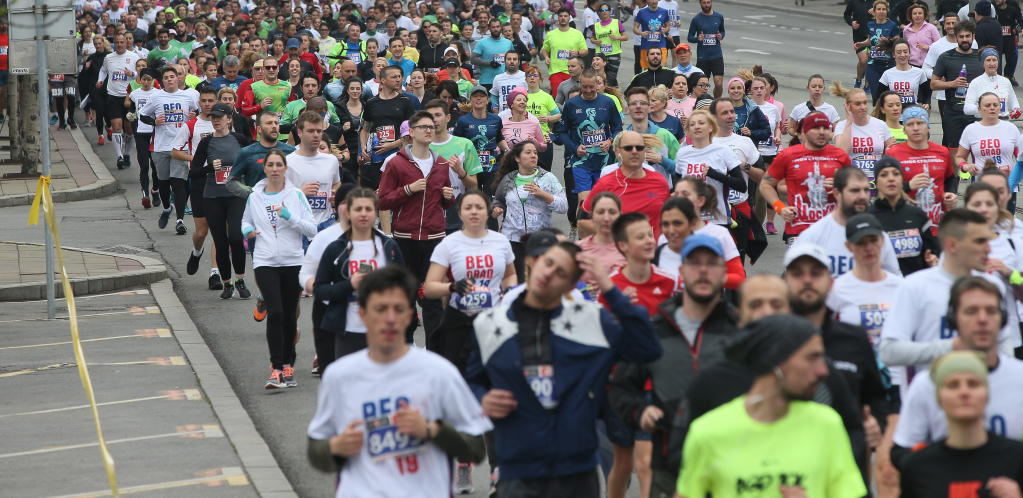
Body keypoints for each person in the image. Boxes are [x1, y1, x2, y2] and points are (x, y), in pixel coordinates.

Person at [465, 241, 662, 497]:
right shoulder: (489, 324)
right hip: (517, 470)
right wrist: (483, 398)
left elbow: (648, 349)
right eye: (548, 263)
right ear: (534, 263)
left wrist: (610, 289)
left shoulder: (592, 320)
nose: (548, 273)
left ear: (571, 286)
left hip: (577, 472)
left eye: (561, 272)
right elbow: (471, 381)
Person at [307, 266, 492, 497]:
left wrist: (431, 430)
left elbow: (476, 450)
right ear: (363, 314)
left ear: (410, 316)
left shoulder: (439, 372)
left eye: (399, 309)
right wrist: (335, 447)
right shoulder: (339, 376)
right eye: (380, 309)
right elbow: (315, 449)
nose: (390, 319)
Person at [677, 313, 867, 498]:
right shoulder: (708, 432)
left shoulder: (827, 424)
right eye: (812, 358)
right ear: (776, 359)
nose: (823, 370)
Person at [880, 208, 1019, 397]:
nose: (989, 249)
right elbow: (889, 351)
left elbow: (1004, 349)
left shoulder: (993, 286)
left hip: (983, 406)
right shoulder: (914, 287)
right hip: (930, 406)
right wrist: (952, 346)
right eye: (980, 241)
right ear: (952, 245)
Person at [893, 277, 1023, 469]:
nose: (982, 319)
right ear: (953, 320)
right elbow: (901, 452)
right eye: (971, 311)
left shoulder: (1019, 377)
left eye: (991, 311)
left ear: (1002, 319)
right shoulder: (927, 383)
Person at [898, 350, 1023, 497]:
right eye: (953, 385)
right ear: (939, 399)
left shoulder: (1016, 458)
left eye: (973, 384)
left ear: (987, 395)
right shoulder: (917, 467)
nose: (964, 392)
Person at [240, 148, 317, 389]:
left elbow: (311, 229)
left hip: (293, 261)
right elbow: (246, 220)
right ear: (265, 169)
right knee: (274, 312)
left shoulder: (295, 195)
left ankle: (287, 364)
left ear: (285, 169)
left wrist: (289, 217)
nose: (274, 169)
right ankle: (275, 369)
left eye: (278, 165)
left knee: (287, 315)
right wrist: (246, 231)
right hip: (265, 261)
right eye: (270, 165)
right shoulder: (255, 196)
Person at [378, 110, 456, 345]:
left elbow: (445, 201)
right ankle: (407, 346)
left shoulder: (441, 164)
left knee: (431, 298)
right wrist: (408, 190)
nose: (429, 130)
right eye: (423, 127)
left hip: (435, 237)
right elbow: (383, 200)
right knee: (407, 295)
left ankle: (434, 352)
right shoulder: (396, 163)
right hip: (405, 238)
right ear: (411, 132)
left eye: (431, 126)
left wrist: (449, 197)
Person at [313, 187, 405, 363]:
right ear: (348, 212)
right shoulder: (336, 248)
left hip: (384, 331)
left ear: (376, 212)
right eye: (358, 209)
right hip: (348, 332)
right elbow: (320, 290)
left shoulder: (389, 248)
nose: (363, 214)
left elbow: (405, 289)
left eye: (368, 209)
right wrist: (350, 285)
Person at [189, 102, 255, 298]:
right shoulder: (206, 142)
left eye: (220, 117)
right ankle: (227, 284)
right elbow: (194, 171)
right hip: (213, 197)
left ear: (229, 119)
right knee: (220, 241)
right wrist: (210, 167)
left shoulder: (239, 139)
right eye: (213, 117)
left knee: (235, 237)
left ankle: (240, 281)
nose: (216, 120)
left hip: (236, 197)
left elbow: (252, 163)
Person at [760, 112, 853, 245]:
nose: (822, 132)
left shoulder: (840, 156)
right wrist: (780, 207)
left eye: (826, 128)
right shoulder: (788, 155)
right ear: (805, 131)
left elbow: (856, 189)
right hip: (799, 230)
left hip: (834, 229)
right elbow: (765, 185)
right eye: (816, 128)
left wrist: (842, 187)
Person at [792, 166, 902, 277]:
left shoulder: (877, 236)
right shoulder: (813, 236)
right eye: (855, 191)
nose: (862, 196)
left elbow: (895, 283)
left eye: (866, 190)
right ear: (836, 193)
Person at [300, 182, 357, 375]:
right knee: (330, 372)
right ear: (336, 206)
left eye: (355, 203)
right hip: (328, 307)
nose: (350, 208)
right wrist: (320, 289)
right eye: (344, 203)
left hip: (363, 311)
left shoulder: (380, 240)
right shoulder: (325, 237)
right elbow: (306, 274)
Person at [826, 212, 905, 351]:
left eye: (873, 240)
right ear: (848, 246)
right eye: (860, 242)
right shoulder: (837, 289)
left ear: (882, 241)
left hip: (895, 367)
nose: (868, 248)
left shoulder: (901, 286)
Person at [491, 140, 568, 279]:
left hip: (540, 239)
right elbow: (498, 200)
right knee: (517, 281)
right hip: (513, 240)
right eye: (528, 152)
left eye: (535, 152)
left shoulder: (547, 178)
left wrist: (543, 194)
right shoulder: (508, 179)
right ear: (517, 158)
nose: (533, 155)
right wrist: (496, 208)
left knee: (539, 280)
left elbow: (563, 207)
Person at [138, 65, 199, 235]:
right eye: (166, 77)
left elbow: (198, 112)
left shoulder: (189, 96)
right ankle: (166, 208)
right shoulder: (156, 96)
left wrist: (194, 116)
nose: (170, 79)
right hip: (160, 146)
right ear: (162, 80)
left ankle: (180, 220)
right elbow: (142, 114)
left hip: (181, 147)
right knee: (163, 183)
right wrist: (154, 122)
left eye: (173, 76)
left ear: (179, 79)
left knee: (178, 183)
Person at [581, 131, 670, 239]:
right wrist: (613, 235)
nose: (634, 152)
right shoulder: (605, 183)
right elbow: (582, 220)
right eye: (628, 148)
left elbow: (668, 219)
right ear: (618, 152)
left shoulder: (659, 181)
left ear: (645, 151)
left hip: (653, 252)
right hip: (618, 253)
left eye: (639, 148)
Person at [172, 86, 219, 288]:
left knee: (218, 230)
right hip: (200, 180)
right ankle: (197, 252)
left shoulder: (224, 124)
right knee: (202, 232)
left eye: (211, 100)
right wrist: (197, 160)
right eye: (204, 101)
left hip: (221, 180)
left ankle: (215, 273)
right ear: (199, 103)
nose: (207, 104)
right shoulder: (191, 125)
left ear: (216, 102)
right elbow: (175, 152)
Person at [868, 155, 943, 276]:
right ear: (876, 182)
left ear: (902, 180)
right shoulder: (868, 218)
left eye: (896, 174)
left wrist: (933, 260)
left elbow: (933, 253)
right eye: (884, 175)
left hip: (914, 288)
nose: (891, 179)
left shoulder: (917, 215)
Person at [560, 70, 623, 208]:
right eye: (584, 87)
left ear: (597, 84)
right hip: (581, 162)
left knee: (603, 203)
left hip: (604, 162)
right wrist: (575, 148)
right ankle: (582, 228)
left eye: (591, 86)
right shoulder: (571, 104)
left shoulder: (608, 102)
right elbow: (562, 132)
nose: (588, 90)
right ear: (580, 84)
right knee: (585, 203)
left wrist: (610, 141)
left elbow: (618, 128)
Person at [674, 109, 745, 228]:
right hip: (690, 220)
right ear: (688, 130)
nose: (696, 127)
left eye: (701, 123)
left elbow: (741, 186)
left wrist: (714, 174)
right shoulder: (682, 153)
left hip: (717, 220)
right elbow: (677, 185)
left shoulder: (723, 151)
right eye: (692, 124)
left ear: (711, 128)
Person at [454, 86, 510, 229]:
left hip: (492, 168)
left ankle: (491, 235)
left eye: (482, 96)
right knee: (473, 202)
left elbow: (499, 138)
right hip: (471, 169)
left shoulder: (496, 119)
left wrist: (508, 150)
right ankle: (472, 232)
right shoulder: (463, 121)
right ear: (471, 100)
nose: (479, 99)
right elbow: (456, 143)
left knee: (491, 204)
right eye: (475, 96)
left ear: (488, 100)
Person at [286, 111, 343, 249]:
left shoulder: (331, 160)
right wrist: (300, 192)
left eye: (319, 131)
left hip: (326, 223)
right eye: (311, 131)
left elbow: (336, 183)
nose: (316, 135)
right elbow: (277, 197)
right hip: (299, 226)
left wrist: (337, 195)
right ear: (299, 132)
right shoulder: (288, 162)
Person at [932, 20, 984, 157]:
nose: (965, 40)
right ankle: (956, 177)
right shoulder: (946, 57)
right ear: (955, 37)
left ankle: (976, 177)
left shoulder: (981, 56)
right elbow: (933, 84)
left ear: (973, 37)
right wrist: (952, 84)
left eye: (968, 36)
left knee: (978, 151)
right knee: (954, 150)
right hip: (953, 112)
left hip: (977, 112)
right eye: (961, 37)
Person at [360, 66, 417, 191]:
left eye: (399, 77)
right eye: (394, 77)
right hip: (378, 156)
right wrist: (363, 146)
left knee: (398, 191)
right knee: (379, 193)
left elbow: (412, 132)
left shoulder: (405, 101)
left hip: (399, 154)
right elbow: (365, 128)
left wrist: (392, 145)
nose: (398, 80)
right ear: (383, 80)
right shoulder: (371, 102)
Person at [832, 85, 895, 195]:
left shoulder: (880, 125)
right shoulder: (842, 126)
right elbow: (841, 153)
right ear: (848, 106)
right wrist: (849, 122)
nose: (863, 107)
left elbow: (893, 154)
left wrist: (888, 153)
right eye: (858, 104)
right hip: (852, 184)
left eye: (865, 102)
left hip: (878, 184)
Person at [98, 33, 141, 171]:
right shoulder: (109, 57)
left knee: (129, 129)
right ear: (113, 43)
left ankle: (127, 153)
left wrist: (132, 74)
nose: (120, 44)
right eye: (117, 42)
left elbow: (140, 72)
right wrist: (100, 80)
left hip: (129, 97)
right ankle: (119, 156)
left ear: (126, 42)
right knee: (116, 126)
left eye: (122, 42)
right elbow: (103, 70)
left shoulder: (134, 57)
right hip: (113, 96)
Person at [956, 92, 1023, 179]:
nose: (992, 108)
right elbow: (959, 157)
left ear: (1000, 107)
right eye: (987, 106)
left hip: (1007, 184)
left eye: (995, 105)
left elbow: (1019, 153)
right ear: (979, 109)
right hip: (981, 185)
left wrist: (1018, 164)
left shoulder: (1011, 128)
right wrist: (965, 166)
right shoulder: (971, 130)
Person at [228, 111, 297, 190]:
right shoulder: (247, 152)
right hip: (259, 201)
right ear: (259, 129)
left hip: (284, 201)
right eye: (269, 123)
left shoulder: (290, 151)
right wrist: (251, 193)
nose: (274, 126)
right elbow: (231, 181)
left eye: (276, 123)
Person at [623, 87, 678, 182]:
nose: (638, 106)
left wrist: (661, 160)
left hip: (660, 194)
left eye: (643, 103)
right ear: (627, 109)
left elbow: (681, 169)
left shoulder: (665, 135)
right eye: (633, 103)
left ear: (649, 108)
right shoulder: (621, 139)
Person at [577, 192, 627, 290]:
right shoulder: (578, 249)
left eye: (612, 212)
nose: (606, 218)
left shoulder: (631, 249)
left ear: (620, 215)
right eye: (600, 212)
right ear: (591, 215)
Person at [126, 68, 160, 209]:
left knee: (155, 165)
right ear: (140, 80)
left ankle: (155, 191)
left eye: (148, 79)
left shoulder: (158, 94)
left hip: (155, 132)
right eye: (143, 79)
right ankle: (145, 194)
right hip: (140, 132)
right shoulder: (135, 94)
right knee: (144, 165)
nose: (146, 82)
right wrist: (129, 115)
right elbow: (132, 109)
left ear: (152, 80)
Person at [858, 0, 903, 97]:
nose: (881, 11)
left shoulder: (892, 25)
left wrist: (887, 41)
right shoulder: (870, 25)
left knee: (888, 96)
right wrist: (861, 44)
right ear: (874, 11)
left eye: (884, 9)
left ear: (887, 11)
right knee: (876, 96)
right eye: (879, 9)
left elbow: (898, 41)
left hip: (888, 65)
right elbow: (870, 41)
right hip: (873, 65)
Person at [964, 47, 1021, 119]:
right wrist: (985, 107)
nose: (992, 63)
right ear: (982, 64)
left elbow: (1013, 100)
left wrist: (1016, 109)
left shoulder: (1005, 81)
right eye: (988, 60)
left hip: (1003, 123)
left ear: (998, 62)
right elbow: (967, 109)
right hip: (983, 123)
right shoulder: (976, 82)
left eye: (994, 60)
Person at [540, 8, 587, 97]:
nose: (563, 18)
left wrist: (577, 52)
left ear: (569, 18)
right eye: (561, 16)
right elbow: (545, 49)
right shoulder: (550, 34)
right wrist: (546, 57)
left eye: (565, 16)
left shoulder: (577, 33)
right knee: (558, 99)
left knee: (574, 99)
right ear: (557, 18)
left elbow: (585, 51)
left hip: (573, 72)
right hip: (555, 72)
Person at [523, 66, 561, 172]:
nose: (532, 78)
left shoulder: (546, 97)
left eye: (535, 76)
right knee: (526, 171)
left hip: (543, 138)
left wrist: (548, 118)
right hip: (525, 139)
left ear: (540, 79)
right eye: (529, 76)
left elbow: (558, 115)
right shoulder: (522, 96)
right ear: (525, 79)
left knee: (544, 171)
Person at [878, 39, 932, 107]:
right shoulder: (887, 74)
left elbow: (927, 94)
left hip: (912, 113)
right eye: (899, 52)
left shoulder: (919, 72)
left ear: (909, 53)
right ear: (894, 54)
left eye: (905, 52)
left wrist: (926, 104)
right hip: (894, 114)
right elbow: (878, 97)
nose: (903, 55)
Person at [652, 197, 698, 276]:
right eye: (665, 224)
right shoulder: (653, 257)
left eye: (677, 223)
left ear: (693, 224)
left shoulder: (708, 254)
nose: (671, 231)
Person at [473, 18, 515, 90]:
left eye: (498, 27)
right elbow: (473, 59)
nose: (496, 29)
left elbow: (513, 59)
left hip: (504, 80)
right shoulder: (482, 42)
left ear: (501, 27)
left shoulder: (508, 43)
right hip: (487, 81)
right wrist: (490, 63)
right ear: (489, 28)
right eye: (493, 27)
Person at [591, 2, 626, 85]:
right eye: (602, 10)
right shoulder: (596, 25)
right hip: (601, 55)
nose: (604, 11)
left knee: (612, 77)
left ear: (610, 11)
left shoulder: (617, 22)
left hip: (614, 53)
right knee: (598, 75)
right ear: (599, 12)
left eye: (606, 10)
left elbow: (625, 37)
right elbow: (592, 38)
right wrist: (595, 41)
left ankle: (613, 93)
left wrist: (616, 37)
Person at [634, 0, 669, 72]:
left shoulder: (664, 12)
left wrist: (665, 30)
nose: (654, 1)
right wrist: (641, 33)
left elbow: (668, 26)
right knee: (648, 71)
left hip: (660, 45)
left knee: (661, 69)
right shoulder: (642, 12)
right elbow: (635, 28)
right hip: (646, 46)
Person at [902, 4, 941, 69]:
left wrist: (927, 47)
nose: (917, 16)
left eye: (920, 13)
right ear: (911, 16)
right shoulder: (906, 30)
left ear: (924, 15)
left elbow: (939, 45)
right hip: (912, 64)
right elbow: (905, 46)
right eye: (915, 14)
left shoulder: (931, 28)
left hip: (929, 64)